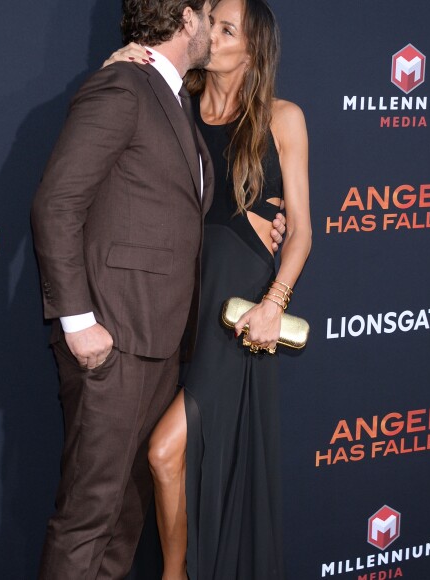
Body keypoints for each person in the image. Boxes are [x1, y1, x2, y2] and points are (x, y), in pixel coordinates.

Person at [104, 0, 312, 578]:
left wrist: (275, 304)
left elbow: (301, 232)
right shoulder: (175, 104)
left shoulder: (281, 117)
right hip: (173, 298)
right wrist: (118, 61)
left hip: (234, 307)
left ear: (254, 49)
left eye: (226, 29)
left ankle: (177, 573)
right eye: (209, 22)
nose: (210, 35)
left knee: (164, 452)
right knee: (172, 454)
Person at [30, 1, 216, 578]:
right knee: (90, 518)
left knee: (124, 521)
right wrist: (77, 321)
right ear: (188, 18)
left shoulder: (171, 96)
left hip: (160, 340)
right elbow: (55, 204)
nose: (213, 28)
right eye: (211, 14)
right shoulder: (123, 87)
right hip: (114, 340)